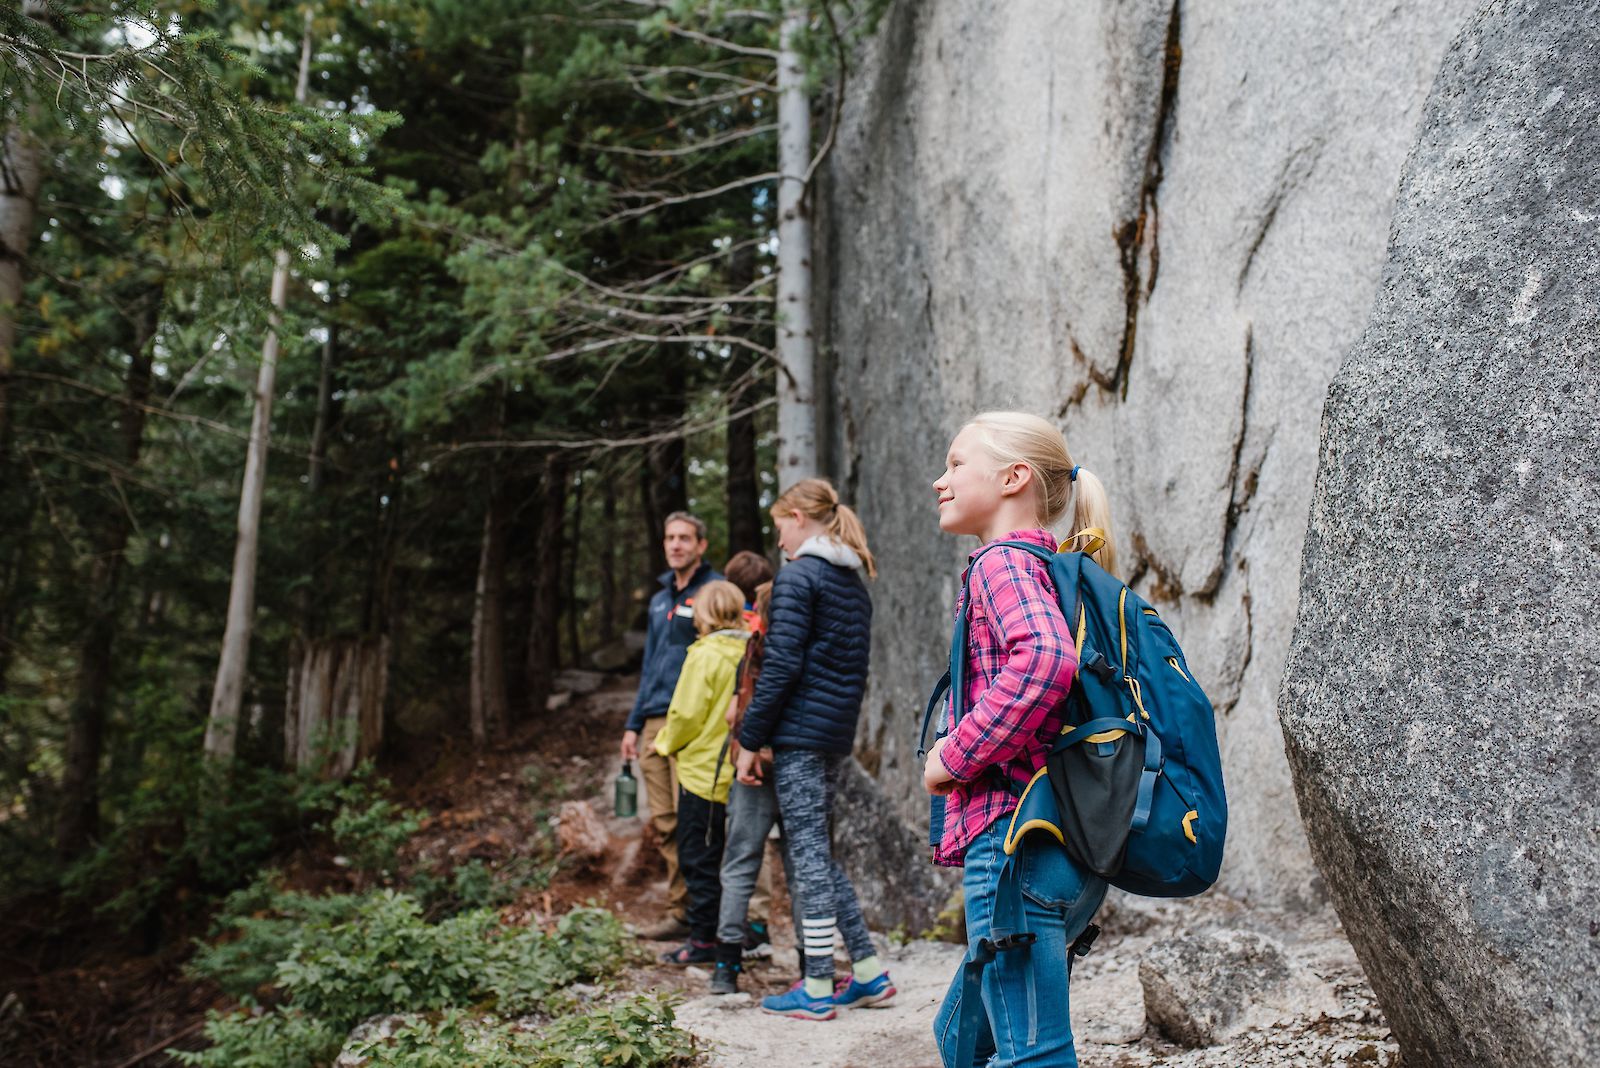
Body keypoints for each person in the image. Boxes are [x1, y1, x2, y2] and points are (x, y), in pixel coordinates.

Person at [923, 411, 1112, 1067]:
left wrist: (952, 754)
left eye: (955, 464)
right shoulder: (1047, 565)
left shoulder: (1003, 564)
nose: (940, 481)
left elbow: (1045, 661)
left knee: (1033, 1056)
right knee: (960, 1037)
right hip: (1062, 845)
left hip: (1015, 844)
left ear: (1013, 477)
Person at [735, 478, 894, 1021]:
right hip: (832, 733)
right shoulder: (852, 582)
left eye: (780, 524)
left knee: (807, 858)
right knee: (818, 856)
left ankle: (819, 986)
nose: (777, 538)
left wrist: (749, 739)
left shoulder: (800, 576)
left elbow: (780, 667)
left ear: (800, 517)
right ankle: (869, 974)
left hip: (800, 735)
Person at [621, 512, 722, 942]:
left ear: (701, 545)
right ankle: (680, 911)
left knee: (692, 823)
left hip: (693, 723)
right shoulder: (660, 597)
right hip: (653, 722)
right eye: (670, 538)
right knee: (663, 822)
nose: (676, 545)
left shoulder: (713, 591)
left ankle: (707, 916)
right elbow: (650, 665)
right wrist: (632, 722)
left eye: (684, 538)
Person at [651, 580, 751, 968]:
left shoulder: (703, 655)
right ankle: (730, 933)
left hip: (700, 774)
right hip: (738, 772)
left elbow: (685, 714)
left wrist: (664, 743)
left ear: (706, 612)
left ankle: (702, 940)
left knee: (697, 857)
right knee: (734, 861)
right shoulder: (750, 650)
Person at [715, 550, 781, 969]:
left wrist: (747, 747)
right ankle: (808, 960)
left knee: (741, 853)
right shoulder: (793, 639)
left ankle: (727, 959)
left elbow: (743, 704)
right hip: (794, 754)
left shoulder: (756, 639)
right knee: (795, 859)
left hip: (754, 757)